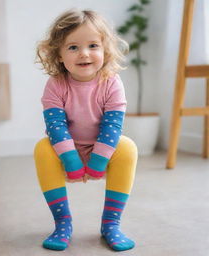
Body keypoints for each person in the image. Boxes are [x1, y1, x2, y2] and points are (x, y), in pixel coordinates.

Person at [34, 9, 137, 251]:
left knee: (127, 147)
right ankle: (63, 224)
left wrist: (98, 163)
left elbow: (112, 125)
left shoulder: (111, 82)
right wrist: (71, 161)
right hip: (66, 148)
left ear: (105, 50)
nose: (84, 54)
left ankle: (111, 224)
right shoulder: (55, 85)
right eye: (73, 47)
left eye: (93, 45)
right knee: (42, 148)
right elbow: (55, 126)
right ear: (58, 55)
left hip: (103, 147)